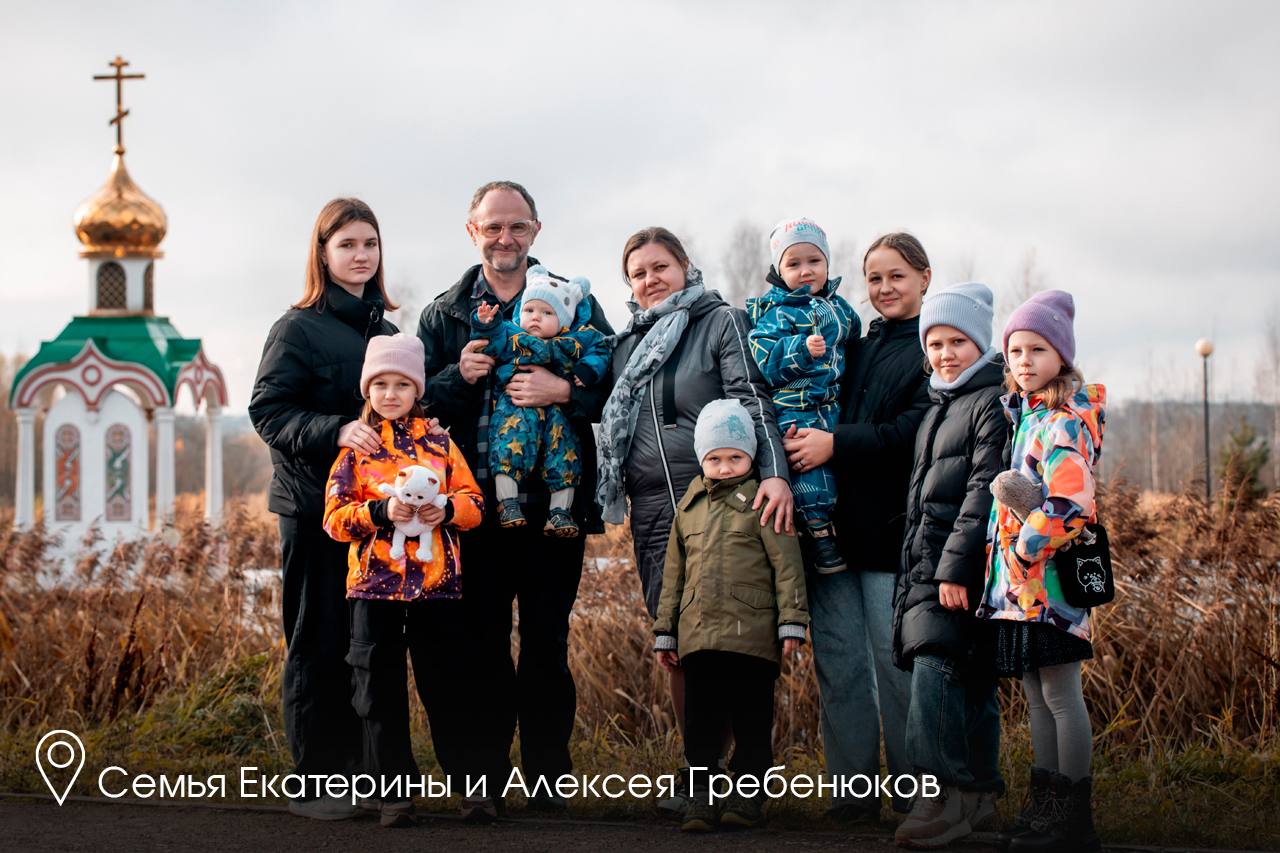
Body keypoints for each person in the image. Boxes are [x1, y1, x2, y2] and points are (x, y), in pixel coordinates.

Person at [415, 180, 613, 816]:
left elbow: (613, 386)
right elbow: (415, 406)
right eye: (492, 227)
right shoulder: (445, 313)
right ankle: (485, 780)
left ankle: (550, 778)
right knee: (483, 642)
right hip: (478, 509)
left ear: (536, 230)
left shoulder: (576, 302)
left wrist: (564, 392)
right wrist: (457, 377)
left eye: (517, 227)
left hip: (556, 505)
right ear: (472, 231)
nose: (505, 238)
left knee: (548, 644)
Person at [597, 226, 793, 815]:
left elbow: (751, 397)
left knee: (734, 643)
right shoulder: (626, 345)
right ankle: (702, 773)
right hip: (655, 510)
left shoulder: (719, 322)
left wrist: (776, 471)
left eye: (661, 266)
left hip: (721, 504)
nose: (651, 279)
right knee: (677, 641)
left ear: (685, 265)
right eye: (638, 273)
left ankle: (746, 779)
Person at [249, 198, 399, 820]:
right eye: (347, 245)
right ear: (322, 254)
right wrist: (334, 429)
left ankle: (366, 781)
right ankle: (317, 784)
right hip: (312, 508)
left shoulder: (386, 333)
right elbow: (268, 410)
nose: (361, 255)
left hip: (372, 518)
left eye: (370, 244)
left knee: (365, 647)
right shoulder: (298, 326)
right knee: (316, 640)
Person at [782, 232, 932, 821]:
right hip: (831, 528)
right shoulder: (857, 344)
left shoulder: (933, 348)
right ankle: (852, 794)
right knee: (840, 667)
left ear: (924, 277)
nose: (885, 288)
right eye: (874, 278)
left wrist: (832, 444)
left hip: (889, 532)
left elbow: (910, 433)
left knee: (896, 669)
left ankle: (914, 794)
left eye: (897, 276)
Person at [322, 333, 484, 828]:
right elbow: (333, 518)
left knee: (448, 685)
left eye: (401, 385)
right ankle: (393, 793)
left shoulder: (440, 442)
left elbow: (475, 504)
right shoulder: (357, 450)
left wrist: (449, 510)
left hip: (438, 587)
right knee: (378, 691)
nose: (391, 394)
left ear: (417, 390)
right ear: (367, 390)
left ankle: (471, 789)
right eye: (381, 384)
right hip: (374, 588)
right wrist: (378, 511)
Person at [977, 290, 1105, 853]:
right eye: (1015, 352)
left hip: (1049, 584)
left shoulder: (1065, 422)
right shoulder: (1023, 417)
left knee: (1060, 695)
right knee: (1034, 696)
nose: (1024, 361)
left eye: (1037, 349)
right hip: (1019, 589)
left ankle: (1074, 815)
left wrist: (1026, 552)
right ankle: (1045, 802)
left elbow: (1070, 503)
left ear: (1061, 356)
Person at [653, 399, 808, 833]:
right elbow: (674, 574)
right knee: (701, 720)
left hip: (752, 636)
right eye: (715, 459)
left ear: (751, 457)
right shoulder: (689, 508)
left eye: (735, 457)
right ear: (702, 459)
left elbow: (787, 564)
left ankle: (748, 796)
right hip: (699, 635)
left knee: (752, 719)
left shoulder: (762, 500)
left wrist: (791, 620)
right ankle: (700, 798)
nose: (724, 467)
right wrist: (666, 630)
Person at [891, 283, 1006, 848]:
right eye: (934, 343)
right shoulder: (941, 404)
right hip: (930, 568)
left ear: (980, 344)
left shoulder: (986, 402)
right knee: (965, 677)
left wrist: (953, 570)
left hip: (956, 572)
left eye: (957, 341)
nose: (945, 354)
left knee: (937, 672)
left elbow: (983, 491)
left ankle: (942, 794)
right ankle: (977, 794)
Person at [746, 217, 859, 572]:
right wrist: (799, 348)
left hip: (832, 405)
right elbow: (764, 359)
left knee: (841, 471)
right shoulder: (777, 312)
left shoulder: (838, 307)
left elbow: (854, 334)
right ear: (779, 270)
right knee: (811, 479)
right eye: (794, 264)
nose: (806, 271)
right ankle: (818, 538)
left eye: (815, 261)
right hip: (796, 405)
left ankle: (834, 530)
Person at [469, 264, 610, 536]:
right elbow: (490, 340)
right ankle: (507, 502)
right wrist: (484, 324)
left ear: (565, 320)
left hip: (560, 418)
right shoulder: (511, 333)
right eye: (530, 310)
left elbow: (600, 349)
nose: (536, 318)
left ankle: (560, 512)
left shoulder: (575, 339)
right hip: (516, 410)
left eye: (547, 313)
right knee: (510, 445)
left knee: (565, 457)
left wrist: (585, 373)